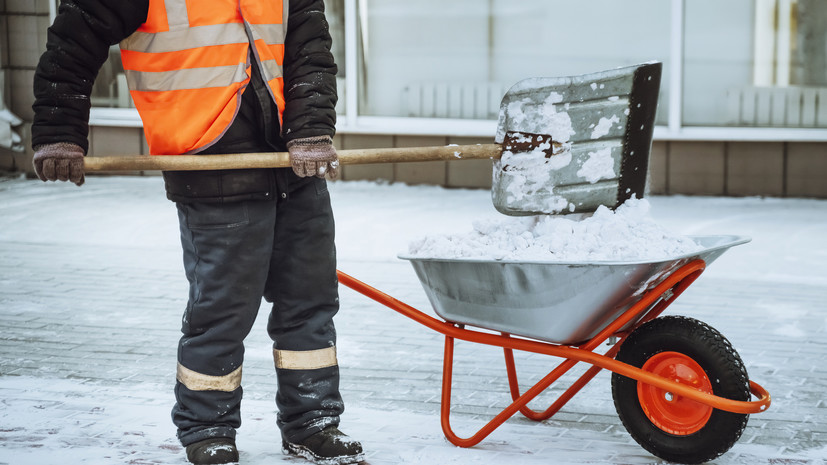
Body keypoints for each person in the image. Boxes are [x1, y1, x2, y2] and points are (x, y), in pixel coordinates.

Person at [31, 1, 363, 464]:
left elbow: (310, 49)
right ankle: (207, 428)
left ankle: (314, 424)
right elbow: (74, 38)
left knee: (309, 303)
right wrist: (60, 130)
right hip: (208, 160)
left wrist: (310, 132)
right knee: (222, 310)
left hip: (293, 163)